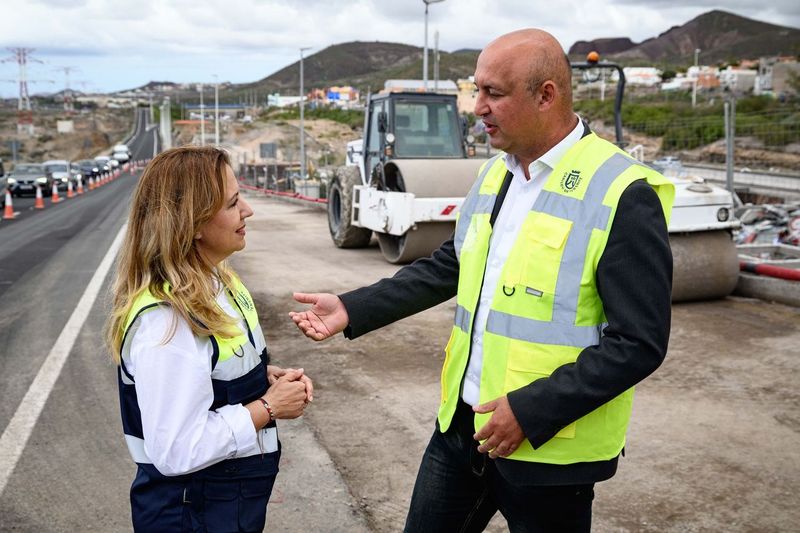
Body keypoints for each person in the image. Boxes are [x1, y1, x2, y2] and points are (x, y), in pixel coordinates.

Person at [290, 28, 675, 532]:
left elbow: (638, 343)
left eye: (493, 92)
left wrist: (531, 412)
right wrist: (353, 307)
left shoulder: (621, 191)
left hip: (548, 453)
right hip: (461, 430)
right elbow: (453, 263)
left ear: (546, 96)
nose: (477, 106)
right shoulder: (496, 175)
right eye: (476, 90)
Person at [106, 146, 313, 532]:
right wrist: (268, 407)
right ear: (194, 222)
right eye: (234, 203)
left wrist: (263, 379)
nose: (247, 210)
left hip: (223, 506)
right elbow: (177, 450)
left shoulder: (217, 281)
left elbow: (215, 370)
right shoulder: (167, 322)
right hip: (192, 513)